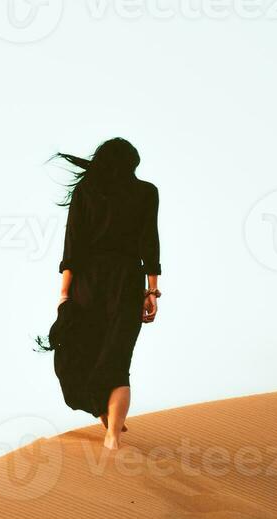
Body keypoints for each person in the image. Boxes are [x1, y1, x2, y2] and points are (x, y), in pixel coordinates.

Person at [36, 138, 161, 451]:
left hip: (87, 283)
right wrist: (152, 290)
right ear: (133, 164)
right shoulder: (146, 192)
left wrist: (64, 295)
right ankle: (113, 436)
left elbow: (73, 246)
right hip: (126, 280)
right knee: (118, 359)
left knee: (83, 351)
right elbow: (150, 243)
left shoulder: (86, 192)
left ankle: (104, 413)